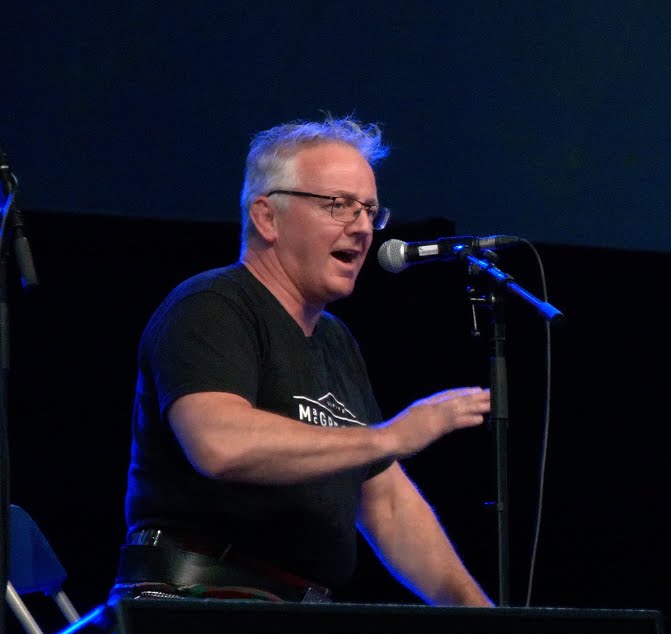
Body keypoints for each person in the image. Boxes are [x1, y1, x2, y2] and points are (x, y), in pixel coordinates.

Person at [112, 116, 492, 607]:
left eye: (370, 211)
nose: (360, 227)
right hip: (199, 603)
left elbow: (388, 503)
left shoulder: (335, 341)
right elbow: (219, 443)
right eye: (338, 205)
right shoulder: (212, 305)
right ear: (267, 216)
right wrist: (392, 435)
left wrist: (480, 616)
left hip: (293, 616)